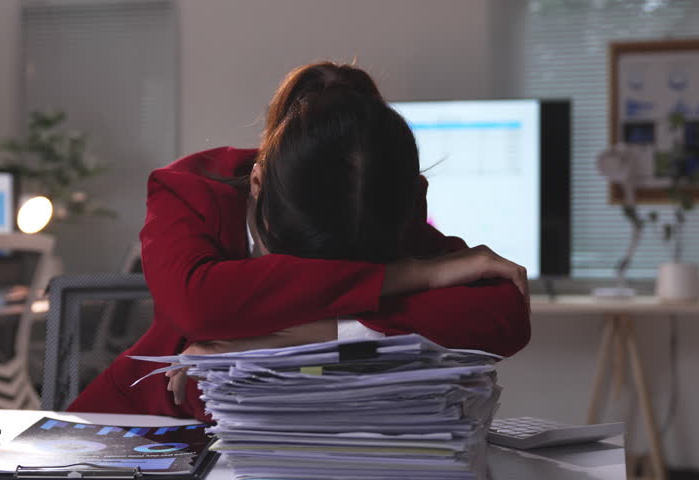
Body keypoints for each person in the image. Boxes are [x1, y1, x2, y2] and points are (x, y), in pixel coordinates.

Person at [68, 62, 530, 421]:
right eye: (296, 263)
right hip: (145, 427)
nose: (322, 287)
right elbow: (199, 305)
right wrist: (407, 274)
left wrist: (285, 337)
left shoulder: (372, 200)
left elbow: (502, 316)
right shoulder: (190, 192)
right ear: (256, 183)